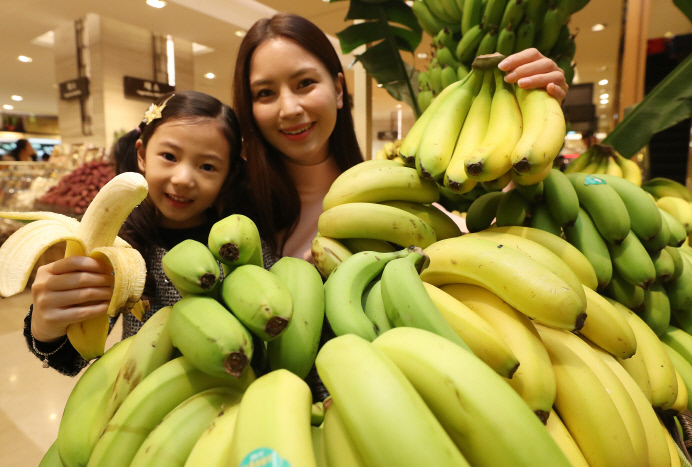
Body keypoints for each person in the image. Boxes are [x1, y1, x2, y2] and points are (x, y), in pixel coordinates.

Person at [232, 13, 570, 261]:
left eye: (304, 83)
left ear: (337, 90)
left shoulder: (392, 190)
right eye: (265, 93)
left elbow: (476, 247)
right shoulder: (229, 204)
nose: (289, 108)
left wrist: (535, 121)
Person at [24, 91, 276, 375]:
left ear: (228, 174)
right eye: (169, 156)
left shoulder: (242, 244)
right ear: (142, 155)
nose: (182, 179)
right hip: (145, 397)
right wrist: (46, 329)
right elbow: (75, 358)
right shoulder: (119, 246)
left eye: (207, 166)